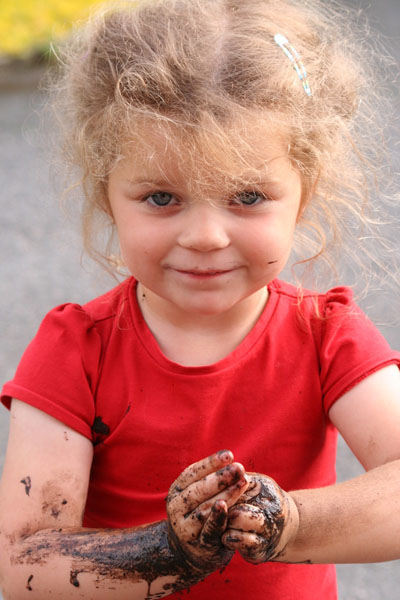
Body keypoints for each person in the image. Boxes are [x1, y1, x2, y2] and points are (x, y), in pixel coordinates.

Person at [0, 0, 399, 598]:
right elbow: (25, 562)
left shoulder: (327, 335)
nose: (206, 236)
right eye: (162, 197)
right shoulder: (75, 351)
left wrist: (285, 523)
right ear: (108, 194)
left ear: (304, 191)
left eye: (246, 194)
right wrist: (167, 551)